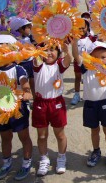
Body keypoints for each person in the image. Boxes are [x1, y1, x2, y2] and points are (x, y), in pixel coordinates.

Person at [0, 35, 33, 181]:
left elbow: (25, 84)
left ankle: (26, 163)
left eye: (2, 47)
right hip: (0, 111)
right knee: (5, 137)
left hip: (17, 110)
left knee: (24, 137)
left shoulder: (18, 69)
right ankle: (6, 164)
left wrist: (26, 92)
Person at [72, 36, 106, 168]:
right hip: (90, 105)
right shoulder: (86, 68)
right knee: (94, 131)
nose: (100, 60)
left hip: (105, 103)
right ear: (90, 57)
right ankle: (96, 151)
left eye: (103, 57)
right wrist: (75, 43)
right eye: (96, 57)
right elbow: (76, 56)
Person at [32, 42, 72, 176]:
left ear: (58, 53)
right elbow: (37, 57)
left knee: (60, 134)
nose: (49, 53)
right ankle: (44, 159)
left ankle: (61, 157)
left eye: (53, 50)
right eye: (46, 50)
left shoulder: (59, 65)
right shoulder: (38, 64)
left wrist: (67, 50)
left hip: (56, 103)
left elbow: (68, 60)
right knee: (42, 135)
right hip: (40, 104)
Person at [9, 17, 36, 100]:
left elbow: (37, 40)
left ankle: (34, 98)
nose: (29, 30)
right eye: (28, 28)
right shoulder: (13, 40)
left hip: (30, 62)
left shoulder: (30, 38)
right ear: (20, 29)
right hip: (20, 63)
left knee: (32, 81)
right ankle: (25, 98)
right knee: (23, 81)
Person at [70, 18, 96, 105]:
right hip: (77, 61)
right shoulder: (74, 38)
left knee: (88, 79)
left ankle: (89, 94)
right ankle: (77, 95)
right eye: (79, 27)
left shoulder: (92, 38)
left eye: (83, 27)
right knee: (77, 78)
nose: (81, 29)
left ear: (87, 27)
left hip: (88, 62)